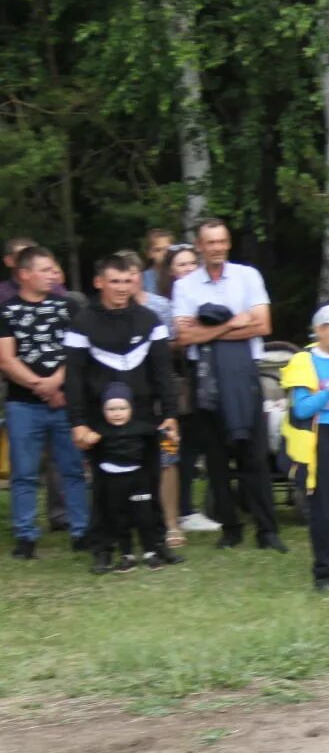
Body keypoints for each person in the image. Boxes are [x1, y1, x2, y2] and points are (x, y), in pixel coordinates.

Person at [170, 218, 282, 551]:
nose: (217, 248)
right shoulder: (186, 285)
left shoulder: (248, 276)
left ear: (228, 244)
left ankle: (267, 530)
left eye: (222, 241)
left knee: (255, 455)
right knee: (216, 458)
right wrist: (234, 322)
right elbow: (183, 336)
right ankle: (230, 528)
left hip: (244, 375)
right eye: (211, 243)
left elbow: (263, 325)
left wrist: (210, 330)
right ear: (200, 247)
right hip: (204, 378)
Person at [64, 254, 179, 565]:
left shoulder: (149, 320)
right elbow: (73, 378)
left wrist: (170, 414)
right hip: (100, 423)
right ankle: (104, 550)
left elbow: (163, 372)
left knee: (148, 487)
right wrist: (77, 423)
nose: (121, 288)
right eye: (114, 281)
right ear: (99, 282)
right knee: (104, 491)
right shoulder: (82, 323)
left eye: (128, 281)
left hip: (144, 420)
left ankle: (156, 545)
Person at [1, 244, 90, 557]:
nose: (52, 275)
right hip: (23, 404)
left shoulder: (68, 307)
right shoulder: (7, 310)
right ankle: (26, 536)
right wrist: (41, 385)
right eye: (45, 270)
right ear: (24, 274)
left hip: (65, 402)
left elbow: (78, 352)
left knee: (73, 469)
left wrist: (56, 384)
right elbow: (6, 359)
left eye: (54, 270)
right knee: (24, 473)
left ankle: (81, 532)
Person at [282, 304, 329, 592]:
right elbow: (301, 409)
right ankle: (324, 572)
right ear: (320, 331)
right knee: (324, 507)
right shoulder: (304, 361)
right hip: (319, 437)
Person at [84, 382, 174, 574]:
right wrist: (88, 439)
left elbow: (162, 434)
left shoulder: (142, 428)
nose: (117, 413)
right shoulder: (99, 431)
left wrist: (170, 435)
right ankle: (127, 555)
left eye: (122, 408)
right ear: (103, 410)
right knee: (118, 517)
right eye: (111, 409)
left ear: (131, 408)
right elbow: (86, 447)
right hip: (112, 481)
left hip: (138, 479)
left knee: (144, 515)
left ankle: (150, 552)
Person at [155, 243, 202, 543]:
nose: (187, 269)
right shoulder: (161, 305)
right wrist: (184, 337)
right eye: (181, 265)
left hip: (200, 377)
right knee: (173, 447)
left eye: (191, 264)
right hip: (173, 383)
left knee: (194, 446)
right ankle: (175, 510)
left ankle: (189, 507)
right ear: (170, 271)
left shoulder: (204, 295)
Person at [140, 227, 175, 295]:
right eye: (158, 250)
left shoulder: (179, 272)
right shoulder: (144, 279)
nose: (164, 253)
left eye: (167, 249)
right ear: (149, 253)